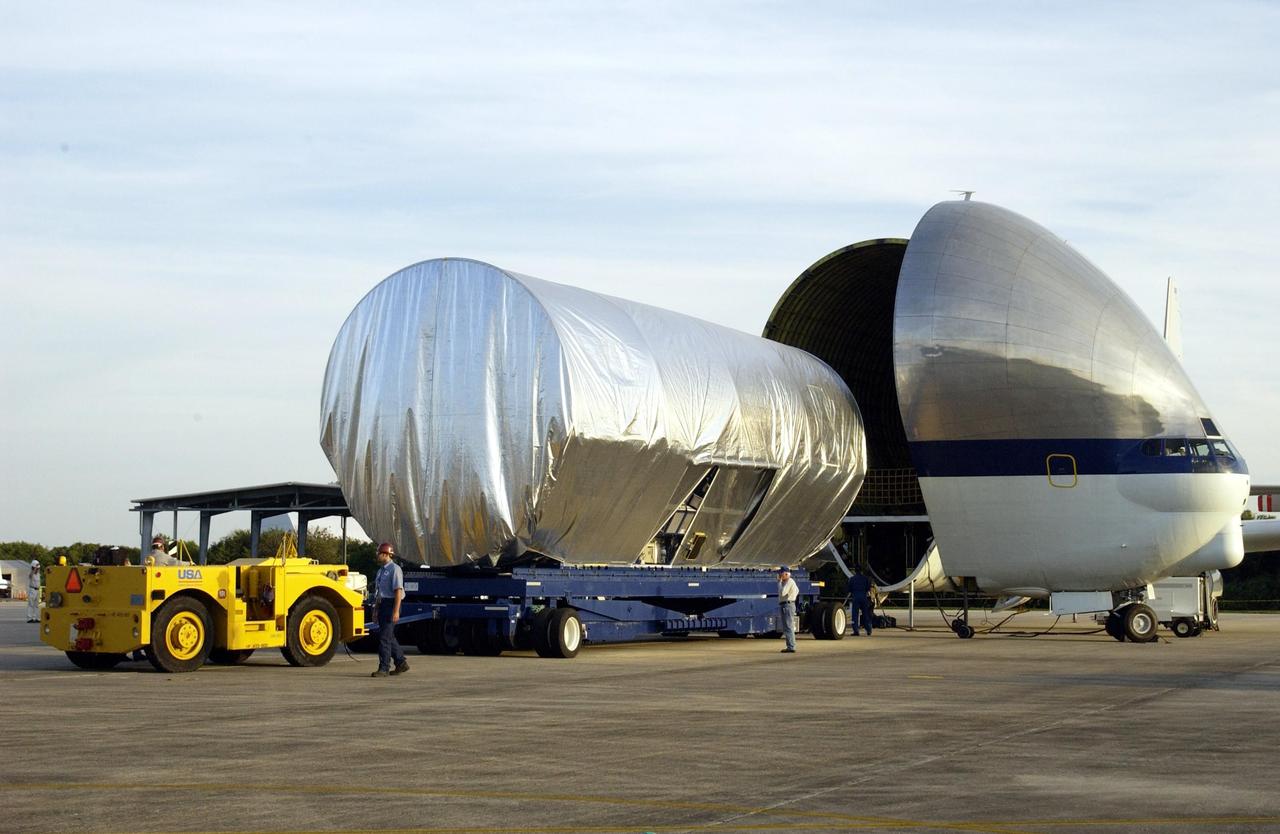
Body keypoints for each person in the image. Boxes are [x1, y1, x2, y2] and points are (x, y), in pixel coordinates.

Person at [372, 542, 409, 677]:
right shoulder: (380, 571)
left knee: (384, 638)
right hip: (382, 604)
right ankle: (401, 662)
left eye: (379, 554)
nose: (377, 556)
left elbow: (398, 591)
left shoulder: (395, 569)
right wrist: (376, 610)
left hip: (391, 604)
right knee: (388, 636)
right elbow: (379, 592)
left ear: (386, 554)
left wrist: (395, 611)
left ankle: (384, 668)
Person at [848, 565, 875, 636]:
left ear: (855, 571)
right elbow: (868, 587)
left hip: (855, 597)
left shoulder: (852, 579)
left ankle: (856, 630)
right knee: (865, 614)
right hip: (863, 597)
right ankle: (869, 629)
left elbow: (849, 589)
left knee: (855, 615)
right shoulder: (866, 579)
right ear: (861, 571)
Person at [777, 566, 799, 653]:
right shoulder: (790, 582)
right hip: (788, 604)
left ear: (786, 574)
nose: (779, 575)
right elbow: (797, 590)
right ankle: (790, 645)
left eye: (781, 573)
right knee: (787, 626)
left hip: (787, 605)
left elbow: (782, 593)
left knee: (788, 626)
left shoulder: (789, 582)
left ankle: (791, 646)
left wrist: (779, 582)